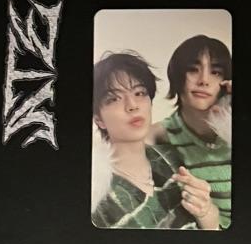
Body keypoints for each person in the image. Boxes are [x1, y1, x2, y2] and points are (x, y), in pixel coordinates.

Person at [91, 52, 219, 230]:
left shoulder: (173, 157)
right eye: (114, 98)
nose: (132, 105)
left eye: (139, 93)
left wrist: (205, 211)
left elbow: (213, 229)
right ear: (99, 119)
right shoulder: (97, 192)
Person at [151, 35, 233, 228]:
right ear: (177, 75)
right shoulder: (161, 133)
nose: (204, 80)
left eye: (215, 72)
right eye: (193, 70)